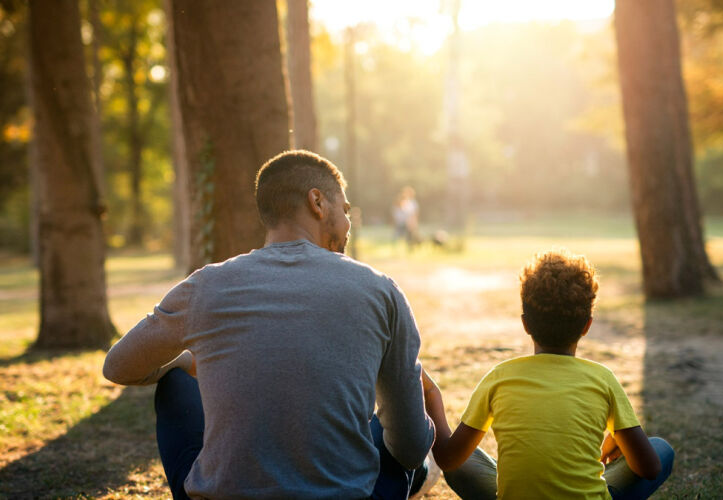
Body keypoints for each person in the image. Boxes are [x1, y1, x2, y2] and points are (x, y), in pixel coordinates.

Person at [102, 150, 435, 499]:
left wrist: (186, 361)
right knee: (395, 433)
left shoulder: (206, 286)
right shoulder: (379, 289)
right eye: (346, 210)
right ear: (317, 202)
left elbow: (118, 366)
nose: (348, 224)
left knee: (174, 382)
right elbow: (410, 448)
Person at [421, 249, 674, 499]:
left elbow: (449, 459)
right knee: (660, 449)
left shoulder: (499, 377)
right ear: (587, 325)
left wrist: (432, 395)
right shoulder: (602, 379)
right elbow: (649, 468)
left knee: (465, 460)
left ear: (525, 324)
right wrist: (620, 437)